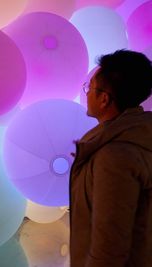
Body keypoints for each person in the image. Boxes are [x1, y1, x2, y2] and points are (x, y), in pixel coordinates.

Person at [69, 49, 152, 267]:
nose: (86, 93)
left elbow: (110, 247)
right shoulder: (138, 133)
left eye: (90, 88)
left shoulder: (114, 157)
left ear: (104, 99)